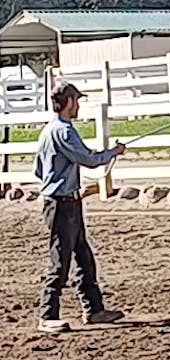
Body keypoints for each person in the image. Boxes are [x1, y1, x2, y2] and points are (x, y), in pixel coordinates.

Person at [34, 81, 127, 333]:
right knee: (60, 260)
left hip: (64, 202)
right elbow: (88, 159)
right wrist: (113, 152)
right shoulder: (64, 131)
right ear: (69, 102)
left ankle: (94, 309)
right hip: (62, 205)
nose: (79, 106)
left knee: (83, 257)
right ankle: (47, 315)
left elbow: (38, 169)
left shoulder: (48, 130)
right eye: (77, 101)